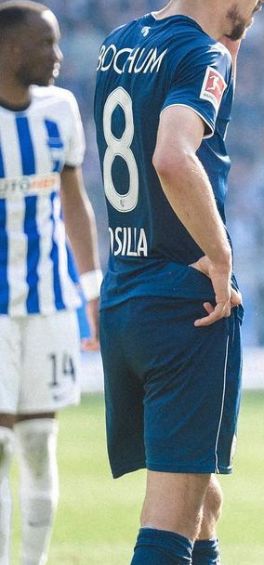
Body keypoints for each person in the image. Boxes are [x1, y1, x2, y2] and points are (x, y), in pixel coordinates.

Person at [93, 1, 264, 562]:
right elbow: (172, 155)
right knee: (170, 519)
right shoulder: (200, 53)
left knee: (200, 498)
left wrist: (230, 39)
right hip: (184, 302)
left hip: (126, 292)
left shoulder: (120, 42)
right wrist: (219, 256)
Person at [0, 3, 101, 563]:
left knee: (39, 440)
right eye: (47, 44)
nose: (59, 57)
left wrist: (91, 291)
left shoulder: (60, 111)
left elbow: (74, 201)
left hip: (50, 299)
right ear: (12, 50)